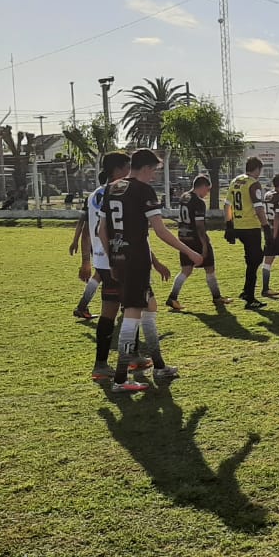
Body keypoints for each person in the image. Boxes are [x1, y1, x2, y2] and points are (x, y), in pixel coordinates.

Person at [99, 148, 202, 393]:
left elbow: (102, 230)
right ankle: (121, 378)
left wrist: (112, 259)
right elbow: (161, 231)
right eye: (154, 171)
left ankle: (159, 366)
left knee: (150, 307)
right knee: (133, 313)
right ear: (145, 168)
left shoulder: (111, 188)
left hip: (120, 258)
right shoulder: (143, 190)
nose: (154, 176)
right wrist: (189, 252)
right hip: (136, 260)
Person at [83, 151, 131, 382]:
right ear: (118, 169)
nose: (129, 172)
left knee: (121, 309)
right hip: (117, 258)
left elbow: (88, 227)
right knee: (130, 308)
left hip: (102, 258)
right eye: (127, 167)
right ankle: (104, 363)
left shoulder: (95, 194)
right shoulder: (119, 192)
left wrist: (87, 258)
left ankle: (109, 362)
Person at [167, 175, 226, 311]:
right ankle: (216, 297)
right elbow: (199, 226)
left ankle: (172, 297)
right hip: (196, 239)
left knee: (186, 270)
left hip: (184, 238)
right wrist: (204, 244)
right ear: (203, 186)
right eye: (208, 189)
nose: (208, 193)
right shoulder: (199, 202)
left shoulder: (184, 197)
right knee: (209, 268)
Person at [227, 157, 268, 308]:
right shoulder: (253, 183)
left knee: (252, 260)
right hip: (251, 226)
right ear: (257, 169)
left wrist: (228, 225)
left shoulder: (235, 181)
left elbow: (227, 205)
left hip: (238, 226)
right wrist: (266, 226)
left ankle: (246, 291)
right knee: (255, 260)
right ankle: (250, 298)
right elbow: (258, 208)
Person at [68, 184, 101, 319]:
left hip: (95, 241)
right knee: (104, 274)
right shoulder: (109, 196)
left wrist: (75, 240)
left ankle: (82, 307)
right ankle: (82, 307)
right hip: (104, 242)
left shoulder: (92, 197)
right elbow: (85, 225)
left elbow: (82, 221)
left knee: (101, 274)